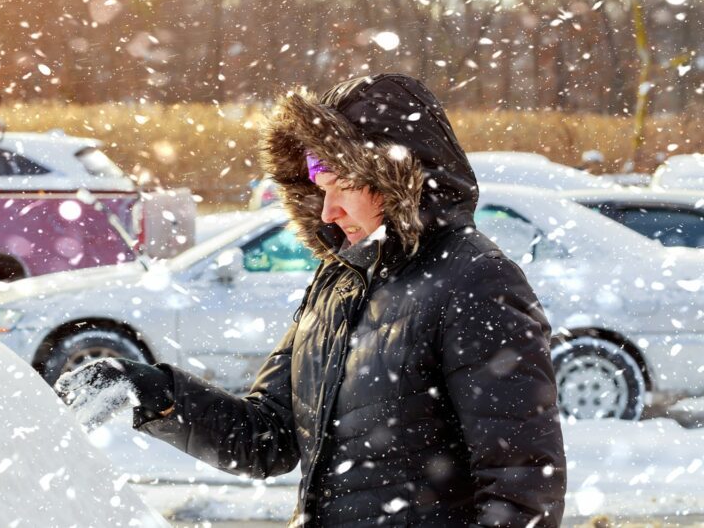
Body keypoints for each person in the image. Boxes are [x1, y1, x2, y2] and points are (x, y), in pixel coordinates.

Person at [56, 73, 567, 527]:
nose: (327, 211)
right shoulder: (338, 282)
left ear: (395, 178)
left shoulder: (476, 281)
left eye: (341, 185)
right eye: (319, 187)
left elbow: (522, 488)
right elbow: (267, 438)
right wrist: (152, 391)